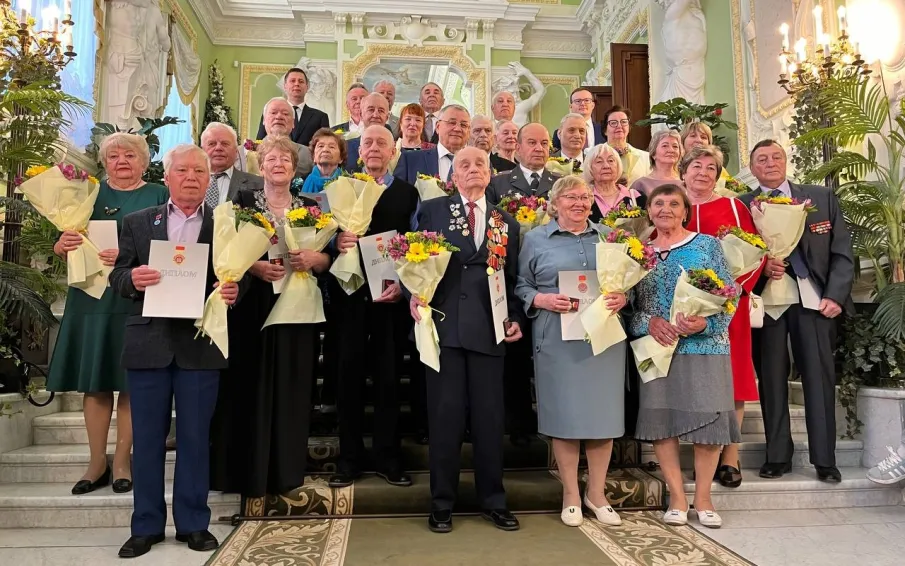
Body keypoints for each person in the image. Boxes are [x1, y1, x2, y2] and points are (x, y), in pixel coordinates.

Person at [110, 143, 242, 558]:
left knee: (194, 439)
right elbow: (116, 276)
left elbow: (236, 276)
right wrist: (133, 278)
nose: (190, 178)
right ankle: (145, 526)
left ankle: (193, 524)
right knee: (146, 441)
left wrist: (235, 290)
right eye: (182, 171)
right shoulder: (136, 222)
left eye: (199, 173)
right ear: (165, 178)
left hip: (200, 345)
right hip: (148, 344)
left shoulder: (225, 225)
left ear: (209, 181)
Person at [47, 133, 168, 496]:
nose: (122, 161)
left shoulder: (158, 194)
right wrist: (62, 244)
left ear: (144, 161)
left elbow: (172, 246)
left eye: (130, 155)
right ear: (104, 162)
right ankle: (95, 461)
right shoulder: (86, 192)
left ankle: (121, 460)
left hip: (134, 296)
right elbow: (63, 245)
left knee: (131, 381)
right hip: (91, 298)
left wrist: (131, 256)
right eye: (113, 156)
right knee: (96, 380)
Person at [411, 146, 524, 533]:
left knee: (490, 421)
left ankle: (493, 500)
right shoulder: (433, 210)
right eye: (464, 164)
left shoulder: (505, 220)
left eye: (480, 164)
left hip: (490, 331)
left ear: (490, 173)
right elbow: (415, 261)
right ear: (453, 175)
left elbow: (513, 279)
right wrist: (415, 294)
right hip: (445, 329)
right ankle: (442, 502)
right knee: (445, 421)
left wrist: (515, 318)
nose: (473, 169)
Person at [209, 135, 329, 499]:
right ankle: (245, 472)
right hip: (252, 307)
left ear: (295, 169)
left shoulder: (311, 207)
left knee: (293, 387)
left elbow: (329, 261)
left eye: (285, 160)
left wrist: (315, 260)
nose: (278, 164)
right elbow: (224, 252)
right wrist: (254, 266)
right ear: (260, 167)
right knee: (249, 385)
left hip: (297, 308)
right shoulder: (240, 202)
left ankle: (286, 471)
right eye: (271, 159)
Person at [739, 139, 854, 483]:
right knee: (771, 381)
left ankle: (825, 459)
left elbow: (842, 251)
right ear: (753, 167)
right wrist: (763, 268)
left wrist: (835, 295)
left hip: (814, 302)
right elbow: (736, 255)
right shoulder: (742, 205)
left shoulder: (820, 198)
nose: (770, 163)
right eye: (762, 159)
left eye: (776, 156)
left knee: (819, 380)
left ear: (785, 161)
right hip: (767, 305)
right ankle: (777, 456)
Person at [516, 176, 627, 528]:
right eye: (570, 197)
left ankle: (597, 493)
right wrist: (541, 298)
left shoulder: (611, 236)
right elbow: (520, 284)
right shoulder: (534, 239)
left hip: (604, 337)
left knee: (602, 415)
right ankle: (570, 494)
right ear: (554, 202)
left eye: (584, 197)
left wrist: (624, 297)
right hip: (556, 337)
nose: (578, 203)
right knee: (564, 415)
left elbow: (629, 280)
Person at [631, 183, 740, 529]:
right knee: (663, 423)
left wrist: (703, 324)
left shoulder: (707, 245)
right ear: (648, 211)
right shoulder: (637, 254)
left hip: (704, 347)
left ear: (685, 210)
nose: (665, 209)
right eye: (658, 203)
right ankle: (677, 498)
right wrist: (650, 323)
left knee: (708, 424)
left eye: (673, 203)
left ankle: (704, 498)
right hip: (657, 349)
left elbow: (729, 298)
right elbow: (629, 310)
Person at [328, 125, 419, 488]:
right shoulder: (342, 191)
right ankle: (348, 459)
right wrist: (337, 240)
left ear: (393, 149)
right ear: (358, 151)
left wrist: (405, 285)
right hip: (349, 298)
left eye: (382, 142)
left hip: (390, 299)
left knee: (388, 380)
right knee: (346, 378)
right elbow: (322, 237)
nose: (375, 148)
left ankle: (388, 457)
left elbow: (416, 244)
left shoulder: (408, 193)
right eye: (368, 142)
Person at [684, 145, 763, 487]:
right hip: (683, 309)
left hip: (731, 309)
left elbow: (755, 253)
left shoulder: (734, 205)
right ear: (683, 171)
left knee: (734, 379)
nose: (703, 172)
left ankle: (731, 456)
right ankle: (698, 452)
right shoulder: (673, 203)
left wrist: (729, 294)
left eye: (710, 168)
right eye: (696, 166)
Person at [394, 104, 470, 184]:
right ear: (437, 127)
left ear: (469, 131)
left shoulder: (478, 164)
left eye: (464, 125)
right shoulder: (410, 160)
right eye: (452, 123)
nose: (457, 129)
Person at [254, 67, 330, 147]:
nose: (296, 84)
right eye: (292, 81)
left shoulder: (320, 117)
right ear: (285, 86)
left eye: (301, 81)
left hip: (307, 158)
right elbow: (260, 142)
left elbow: (325, 145)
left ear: (307, 87)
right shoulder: (270, 113)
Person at [487, 123, 558, 204]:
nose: (539, 148)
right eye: (532, 143)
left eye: (544, 143)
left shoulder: (561, 183)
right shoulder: (497, 182)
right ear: (518, 148)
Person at [201, 122, 264, 207]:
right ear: (202, 150)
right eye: (212, 144)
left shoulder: (259, 184)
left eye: (225, 144)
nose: (218, 148)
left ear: (236, 151)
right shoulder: (186, 182)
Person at [583, 143, 645, 223]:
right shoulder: (584, 200)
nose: (606, 166)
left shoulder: (637, 198)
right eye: (599, 162)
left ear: (618, 165)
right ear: (589, 168)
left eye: (611, 160)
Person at [254, 97, 314, 178]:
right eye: (273, 113)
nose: (279, 117)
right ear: (264, 120)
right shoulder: (247, 152)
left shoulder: (307, 154)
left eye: (285, 114)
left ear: (293, 123)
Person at [601, 105, 651, 186]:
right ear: (605, 130)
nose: (619, 126)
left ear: (629, 128)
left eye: (624, 122)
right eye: (613, 123)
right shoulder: (593, 155)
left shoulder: (645, 158)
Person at [344, 93, 392, 170]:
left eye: (381, 111)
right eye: (371, 110)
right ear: (361, 114)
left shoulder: (394, 148)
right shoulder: (345, 148)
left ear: (387, 117)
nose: (376, 115)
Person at [629, 130, 683, 196]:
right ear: (653, 153)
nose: (671, 150)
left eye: (675, 146)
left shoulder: (686, 183)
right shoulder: (640, 185)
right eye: (665, 146)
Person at [301, 128, 346, 193]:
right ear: (313, 156)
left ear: (341, 158)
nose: (325, 150)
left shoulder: (348, 183)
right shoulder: (303, 182)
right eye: (321, 146)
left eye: (331, 147)